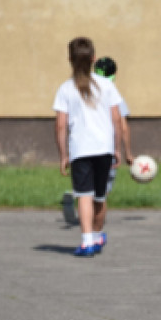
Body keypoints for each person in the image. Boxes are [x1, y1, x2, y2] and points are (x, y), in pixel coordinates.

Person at [53, 37, 124, 257]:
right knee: (100, 197)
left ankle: (86, 241)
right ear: (94, 58)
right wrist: (117, 149)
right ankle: (96, 234)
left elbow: (61, 125)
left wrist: (63, 154)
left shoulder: (65, 89)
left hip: (80, 150)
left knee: (84, 195)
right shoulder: (107, 85)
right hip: (104, 149)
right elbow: (117, 120)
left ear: (69, 60)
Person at [92, 56, 134, 240]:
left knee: (87, 188)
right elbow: (122, 125)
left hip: (85, 147)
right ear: (114, 74)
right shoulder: (113, 93)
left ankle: (83, 207)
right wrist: (127, 152)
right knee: (102, 192)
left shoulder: (83, 90)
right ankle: (96, 230)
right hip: (107, 149)